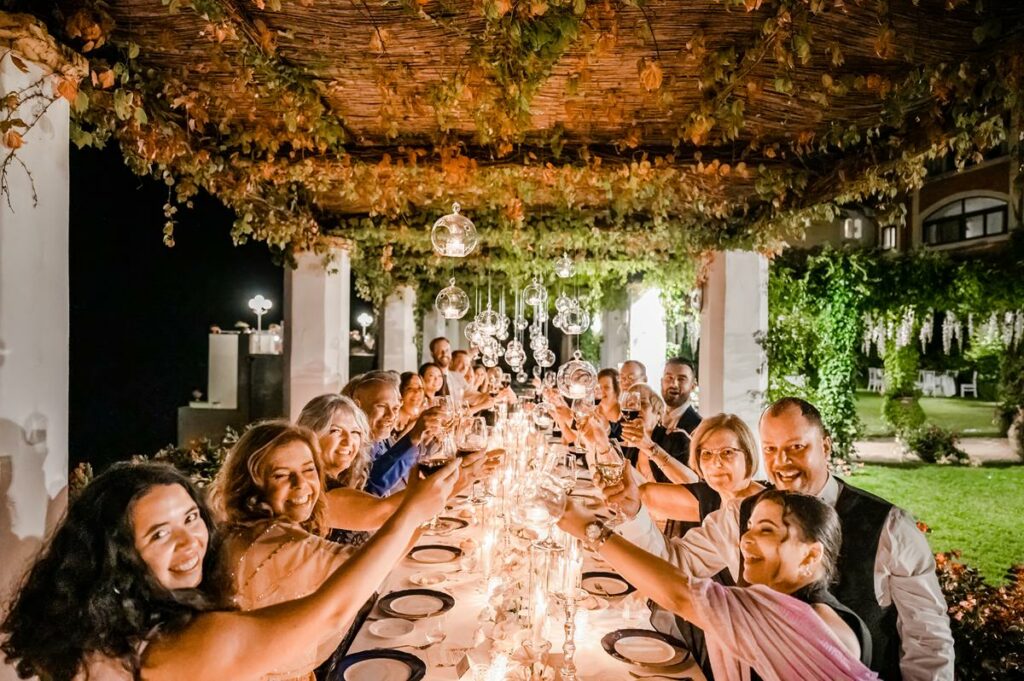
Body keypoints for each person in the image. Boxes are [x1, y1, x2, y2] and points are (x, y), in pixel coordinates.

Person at [0, 459, 458, 681]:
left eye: (191, 518)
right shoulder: (178, 647)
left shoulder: (94, 626)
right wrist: (412, 513)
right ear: (116, 553)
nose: (189, 542)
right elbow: (329, 613)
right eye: (159, 534)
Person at [603, 397, 955, 681]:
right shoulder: (741, 514)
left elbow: (928, 639)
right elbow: (672, 567)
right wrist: (634, 514)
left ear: (826, 446)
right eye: (770, 449)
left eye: (797, 447)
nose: (781, 462)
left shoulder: (889, 527)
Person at [559, 490, 877, 681]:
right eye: (749, 528)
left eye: (766, 531)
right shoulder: (810, 610)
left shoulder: (816, 626)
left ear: (811, 554)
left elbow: (681, 595)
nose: (745, 540)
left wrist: (590, 529)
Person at [211, 422, 357, 679]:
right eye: (280, 475)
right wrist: (419, 511)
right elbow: (368, 567)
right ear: (251, 485)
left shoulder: (236, 530)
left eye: (309, 470)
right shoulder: (278, 542)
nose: (301, 484)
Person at [640, 412, 764, 533]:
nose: (715, 463)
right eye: (707, 454)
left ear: (748, 456)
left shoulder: (770, 503)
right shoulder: (710, 497)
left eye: (727, 452)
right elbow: (644, 494)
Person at [347, 372, 443, 496]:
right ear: (357, 406)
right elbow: (371, 488)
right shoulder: (349, 446)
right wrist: (413, 436)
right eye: (381, 406)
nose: (391, 416)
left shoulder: (383, 440)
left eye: (395, 408)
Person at [620, 383, 697, 485]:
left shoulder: (677, 439)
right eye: (630, 405)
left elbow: (693, 483)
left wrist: (649, 447)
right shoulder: (630, 447)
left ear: (658, 414)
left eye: (642, 403)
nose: (636, 409)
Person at [651, 357, 703, 465]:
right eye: (669, 378)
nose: (673, 384)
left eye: (681, 379)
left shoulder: (699, 427)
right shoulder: (652, 420)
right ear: (661, 382)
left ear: (693, 386)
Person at [395, 371, 426, 437]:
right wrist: (408, 429)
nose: (416, 392)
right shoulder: (389, 422)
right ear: (400, 392)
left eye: (420, 388)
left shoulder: (422, 422)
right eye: (410, 388)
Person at [596, 368, 622, 440]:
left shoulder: (625, 415)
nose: (601, 391)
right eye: (599, 387)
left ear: (617, 389)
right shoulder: (593, 413)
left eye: (606, 387)